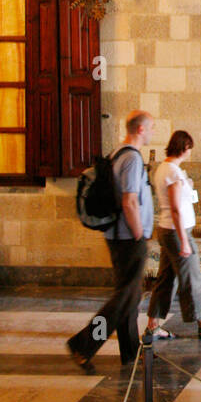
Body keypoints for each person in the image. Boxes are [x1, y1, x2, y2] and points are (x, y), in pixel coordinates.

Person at [66, 111, 155, 372]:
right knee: (125, 296)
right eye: (150, 128)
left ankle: (130, 352)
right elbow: (129, 200)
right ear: (140, 129)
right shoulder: (131, 158)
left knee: (130, 295)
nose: (152, 133)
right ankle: (84, 344)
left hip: (121, 236)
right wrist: (140, 233)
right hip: (128, 237)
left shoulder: (119, 153)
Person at [144, 130, 201, 342]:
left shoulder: (166, 168)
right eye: (190, 148)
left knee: (165, 279)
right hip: (176, 231)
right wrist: (184, 240)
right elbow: (174, 208)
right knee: (192, 278)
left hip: (168, 229)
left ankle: (153, 326)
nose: (190, 152)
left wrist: (187, 186)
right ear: (184, 147)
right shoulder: (172, 172)